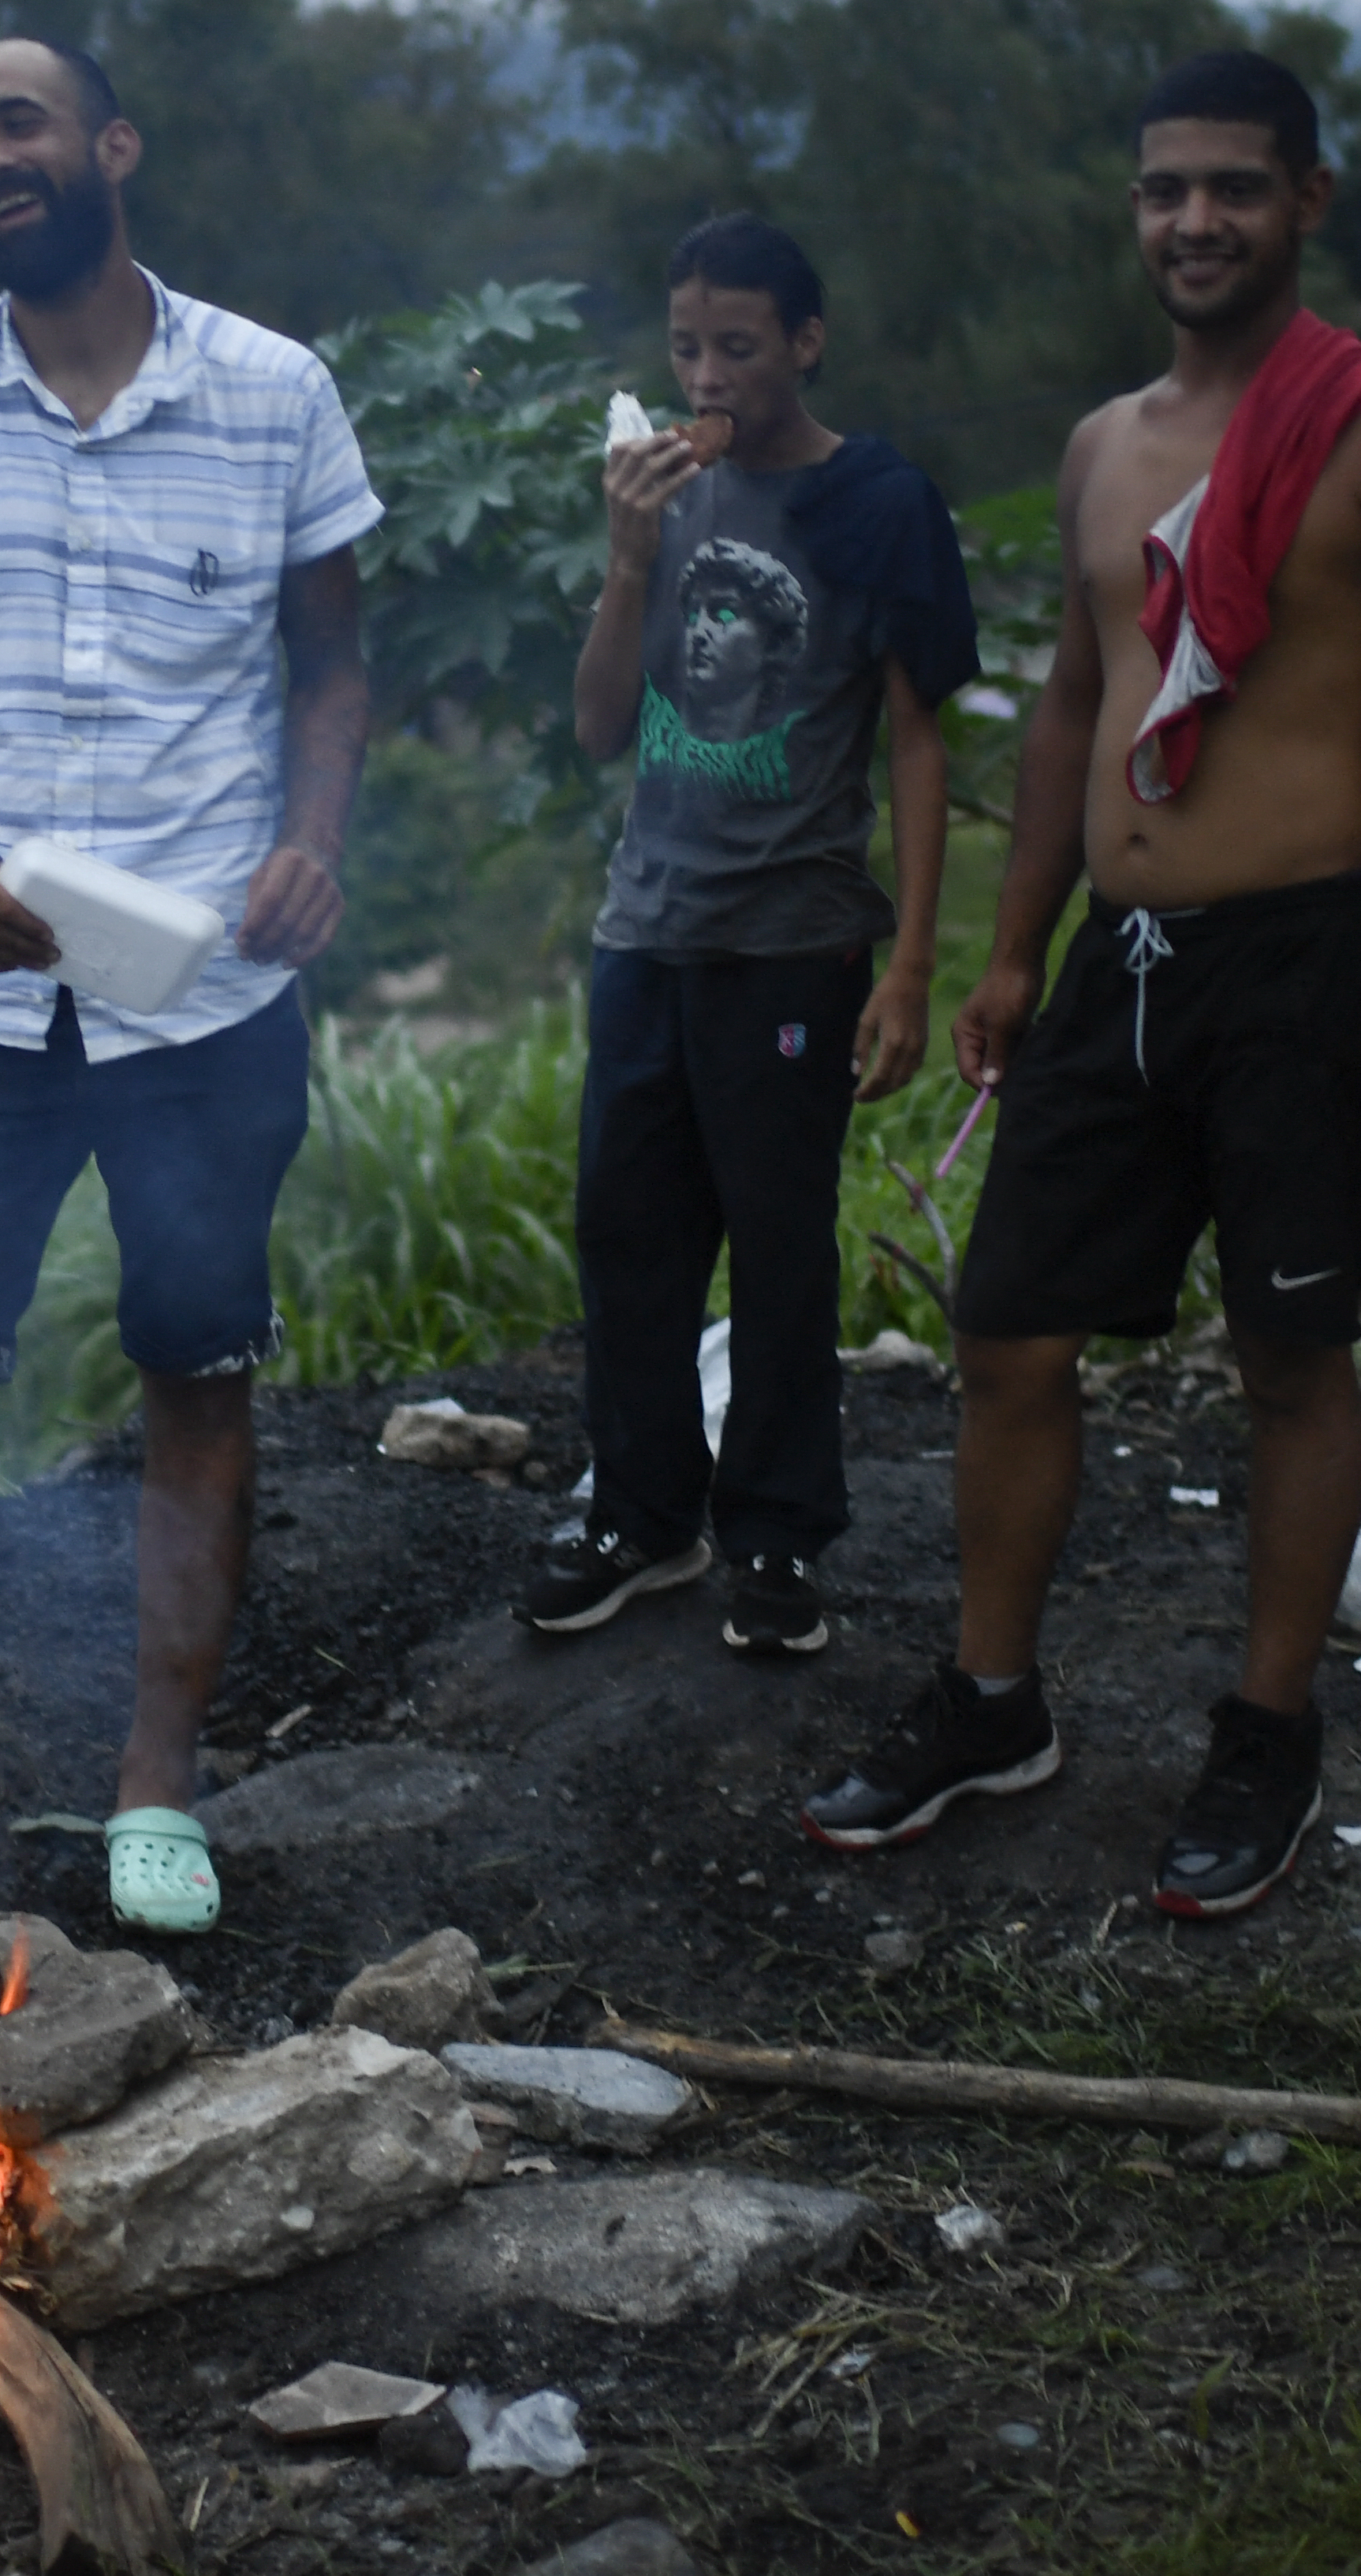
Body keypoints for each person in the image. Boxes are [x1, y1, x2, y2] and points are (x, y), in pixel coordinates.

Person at [796, 50, 1361, 1918]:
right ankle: (989, 1698)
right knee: (1008, 1335)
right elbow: (1073, 707)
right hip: (1113, 965)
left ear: (1304, 201)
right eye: (1162, 191)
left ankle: (1266, 1729)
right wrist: (1014, 939)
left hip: (1302, 961)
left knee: (1289, 1355)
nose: (1192, 220)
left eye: (1231, 186)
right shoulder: (1104, 445)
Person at [0, 38, 378, 1936]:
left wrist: (312, 837)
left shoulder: (273, 387)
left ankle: (157, 1788)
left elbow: (328, 669)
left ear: (112, 145)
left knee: (191, 1372)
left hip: (202, 993)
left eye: (21, 123)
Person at [520, 214, 974, 1658]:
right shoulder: (656, 499)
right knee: (628, 1238)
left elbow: (915, 742)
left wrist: (907, 965)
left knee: (779, 1250)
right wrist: (627, 554)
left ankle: (775, 1537)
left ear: (803, 342)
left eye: (736, 346)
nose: (706, 376)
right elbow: (598, 728)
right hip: (645, 932)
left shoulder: (878, 504)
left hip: (793, 939)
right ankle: (641, 1519)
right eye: (683, 348)